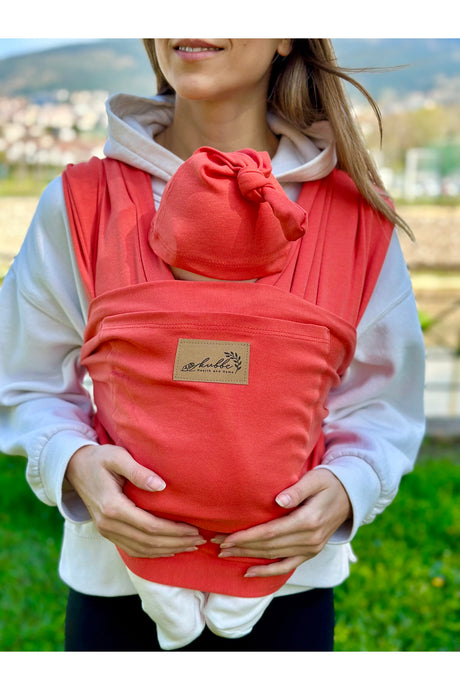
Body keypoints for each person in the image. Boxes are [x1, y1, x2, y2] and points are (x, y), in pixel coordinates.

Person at [0, 39, 425, 652]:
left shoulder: (356, 215)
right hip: (114, 590)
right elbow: (23, 377)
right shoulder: (80, 202)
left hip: (291, 588)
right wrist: (71, 462)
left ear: (286, 35)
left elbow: (385, 401)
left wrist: (350, 486)